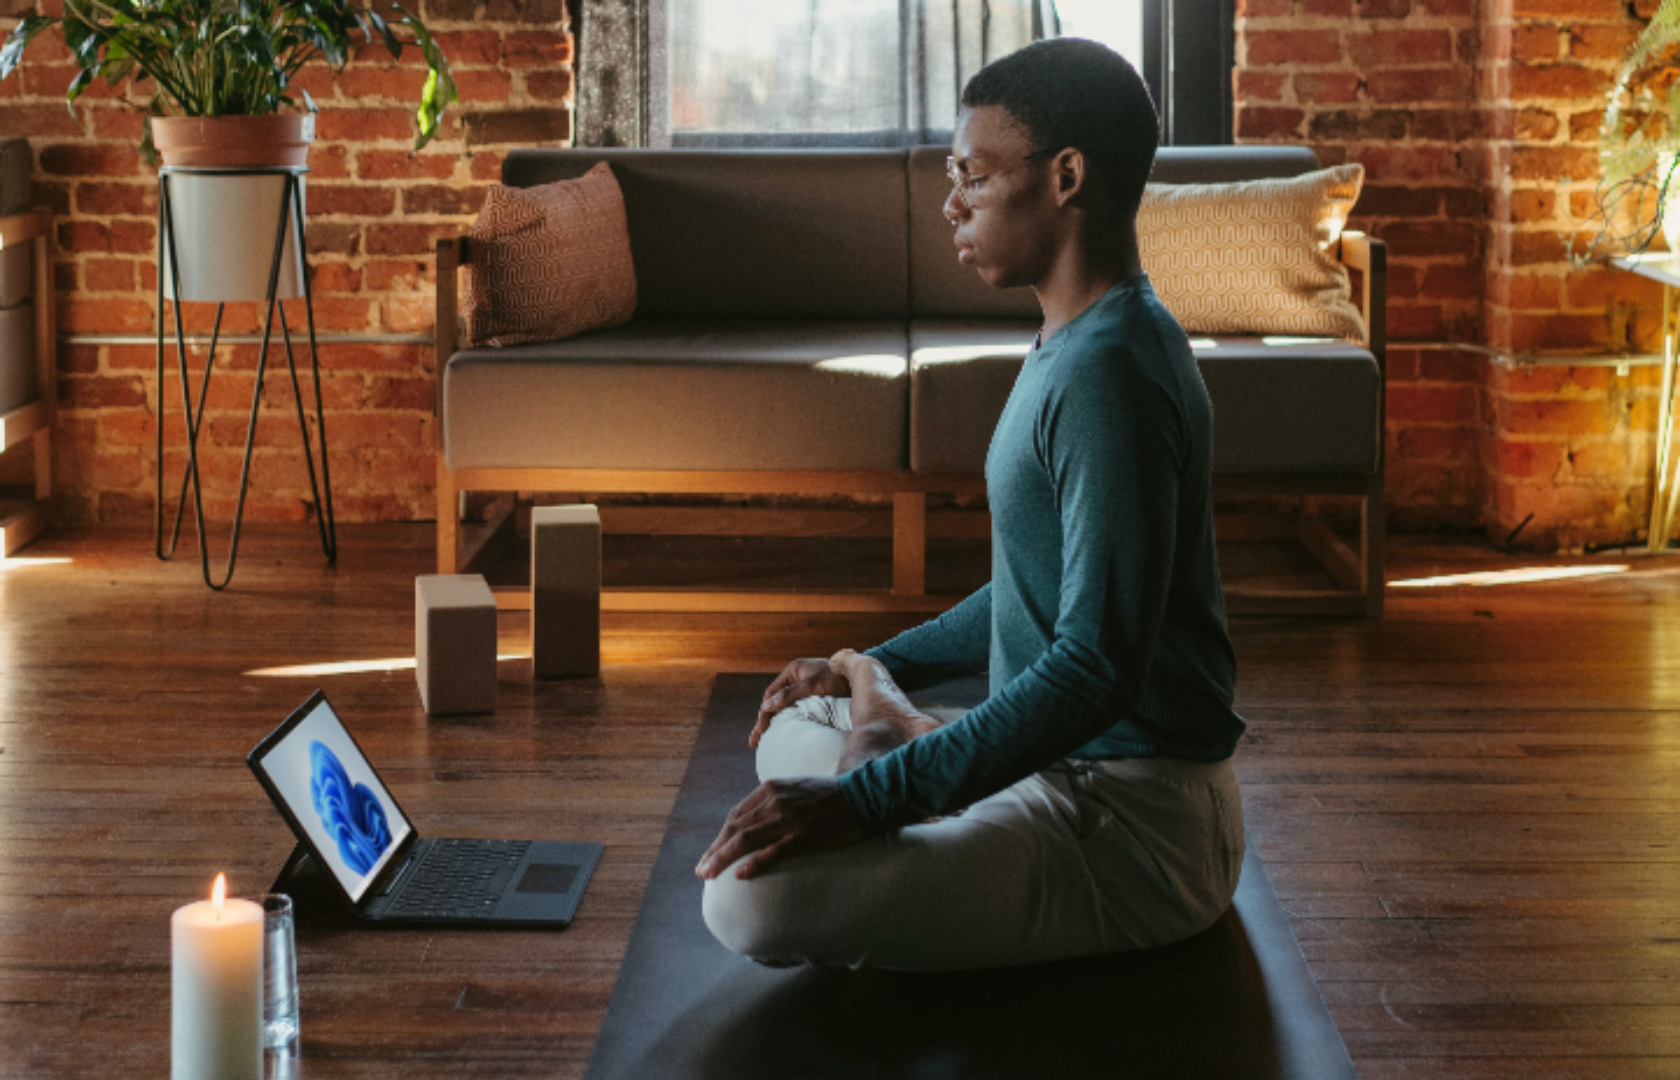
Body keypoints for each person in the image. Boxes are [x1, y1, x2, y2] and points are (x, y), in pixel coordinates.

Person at [694, 37, 1247, 972]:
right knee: (800, 726)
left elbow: (1095, 666)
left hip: (1136, 824)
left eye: (974, 176)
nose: (952, 202)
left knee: (746, 905)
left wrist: (869, 801)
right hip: (1060, 772)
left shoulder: (1114, 371)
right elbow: (1034, 587)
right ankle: (877, 713)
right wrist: (869, 659)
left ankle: (886, 738)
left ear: (1067, 176)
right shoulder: (1073, 341)